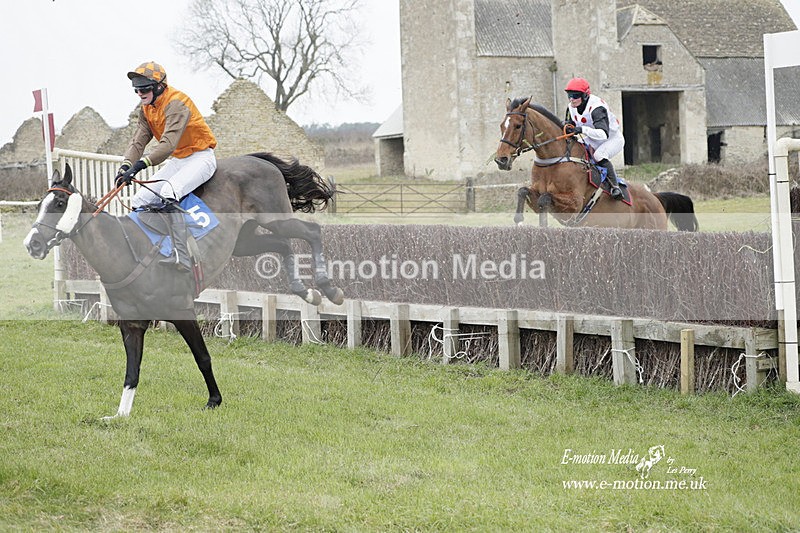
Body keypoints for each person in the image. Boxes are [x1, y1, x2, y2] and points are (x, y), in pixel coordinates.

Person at [115, 61, 218, 270]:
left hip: (201, 157)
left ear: (159, 86)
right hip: (180, 160)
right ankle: (163, 245)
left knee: (169, 192)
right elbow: (138, 141)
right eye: (136, 89)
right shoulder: (146, 109)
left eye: (144, 88)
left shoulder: (176, 103)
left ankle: (183, 257)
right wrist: (126, 165)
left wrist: (140, 166)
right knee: (140, 199)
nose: (139, 93)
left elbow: (168, 144)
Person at [563, 77, 625, 200]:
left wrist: (582, 129)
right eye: (569, 95)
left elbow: (603, 134)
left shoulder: (596, 107)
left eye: (575, 95)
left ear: (585, 95)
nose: (571, 99)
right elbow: (569, 124)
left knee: (599, 156)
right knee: (575, 149)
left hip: (611, 139)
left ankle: (615, 187)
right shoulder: (571, 107)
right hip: (592, 138)